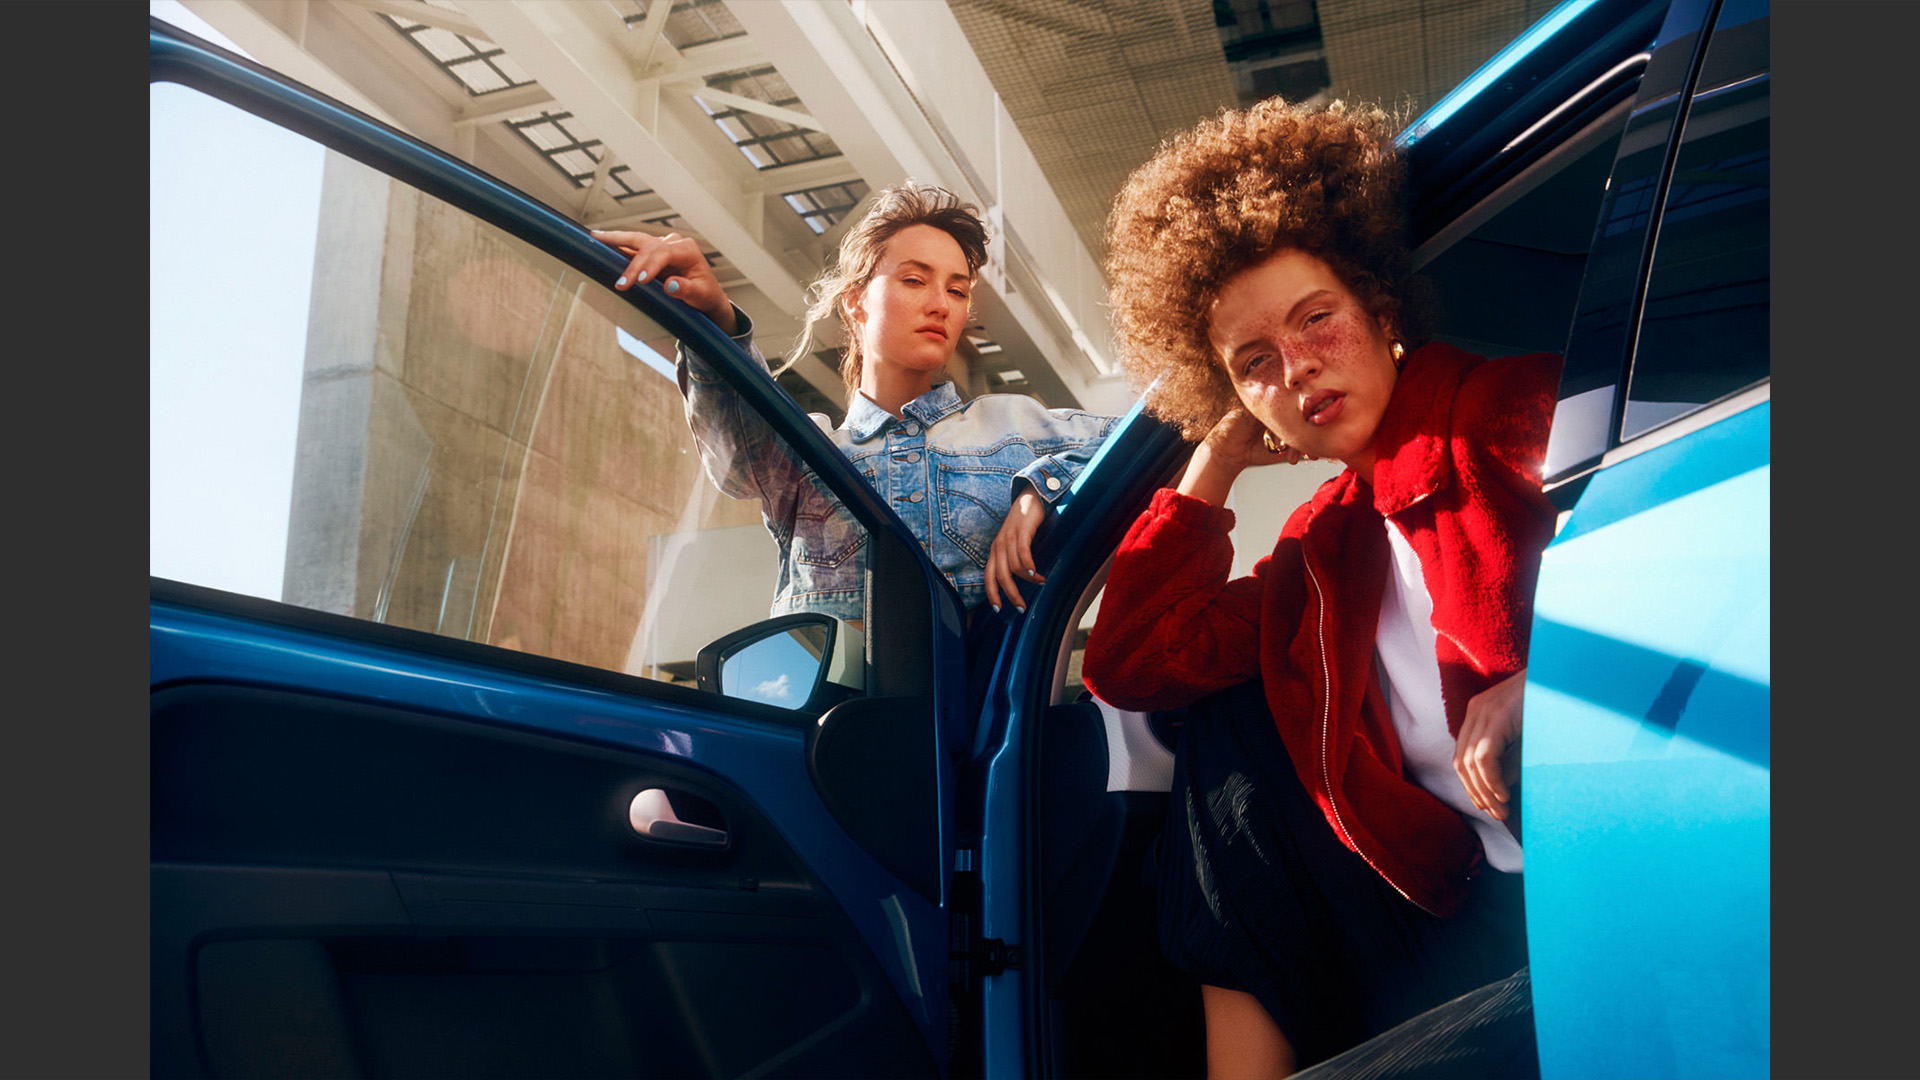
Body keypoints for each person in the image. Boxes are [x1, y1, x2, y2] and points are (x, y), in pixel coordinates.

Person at [1082, 98, 1560, 1077]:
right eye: (1254, 363)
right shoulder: (1323, 545)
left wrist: (1549, 681)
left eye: (1317, 320)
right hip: (1467, 900)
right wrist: (1214, 457)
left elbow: (1718, 531)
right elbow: (1134, 659)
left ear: (1382, 313)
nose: (1296, 367)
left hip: (1612, 880)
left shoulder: (1502, 413)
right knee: (1224, 725)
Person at [591, 182, 1114, 623]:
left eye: (957, 291)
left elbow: (1157, 429)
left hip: (995, 718)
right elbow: (738, 459)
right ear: (855, 300)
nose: (940, 304)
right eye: (915, 280)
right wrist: (713, 320)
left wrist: (1041, 491)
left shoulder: (1018, 427)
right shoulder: (809, 452)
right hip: (837, 717)